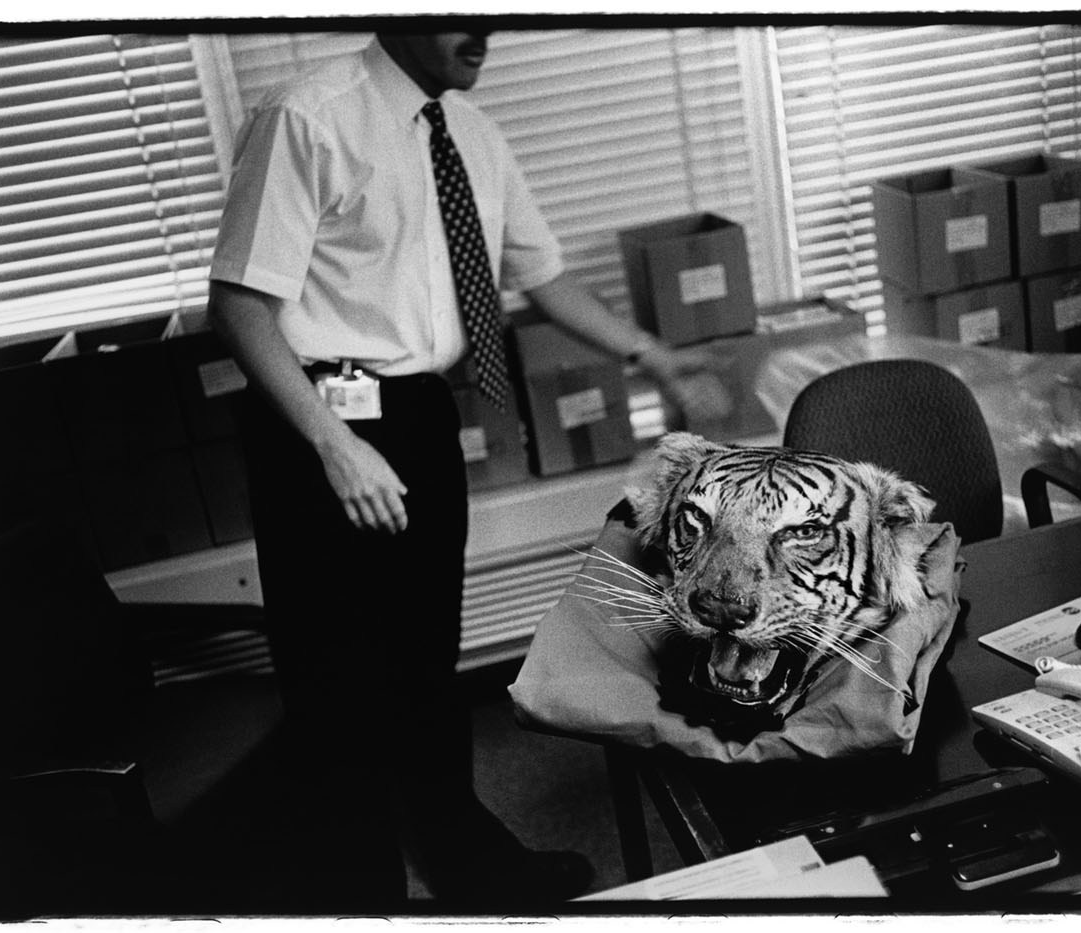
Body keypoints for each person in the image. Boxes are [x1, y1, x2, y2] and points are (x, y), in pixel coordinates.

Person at [207, 29, 732, 905]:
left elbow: (542, 278)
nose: (482, 27)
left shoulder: (471, 135)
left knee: (422, 661)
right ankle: (356, 890)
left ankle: (460, 858)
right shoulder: (307, 116)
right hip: (317, 419)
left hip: (412, 413)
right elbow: (240, 307)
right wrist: (334, 448)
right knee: (336, 680)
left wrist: (652, 354)